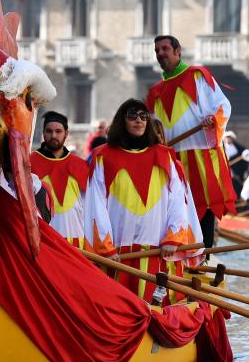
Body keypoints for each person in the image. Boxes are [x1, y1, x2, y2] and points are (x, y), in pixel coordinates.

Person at [84, 99, 203, 305]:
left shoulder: (165, 156)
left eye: (143, 116)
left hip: (157, 251)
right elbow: (95, 205)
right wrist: (106, 249)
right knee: (117, 307)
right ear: (123, 121)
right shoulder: (103, 156)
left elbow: (177, 201)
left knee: (158, 306)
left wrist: (173, 238)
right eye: (132, 116)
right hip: (118, 255)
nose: (138, 121)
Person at [146, 35, 236, 248]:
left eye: (165, 49)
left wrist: (214, 119)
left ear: (178, 51)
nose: (160, 54)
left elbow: (222, 105)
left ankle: (203, 255)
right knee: (174, 207)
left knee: (203, 204)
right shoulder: (155, 91)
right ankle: (181, 255)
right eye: (157, 50)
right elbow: (154, 127)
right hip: (171, 156)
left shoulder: (197, 75)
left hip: (201, 153)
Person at [30, 111, 88, 248]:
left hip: (76, 240)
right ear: (43, 133)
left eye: (58, 131)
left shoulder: (80, 165)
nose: (53, 135)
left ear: (66, 134)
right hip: (44, 240)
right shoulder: (30, 163)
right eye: (49, 131)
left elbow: (88, 206)